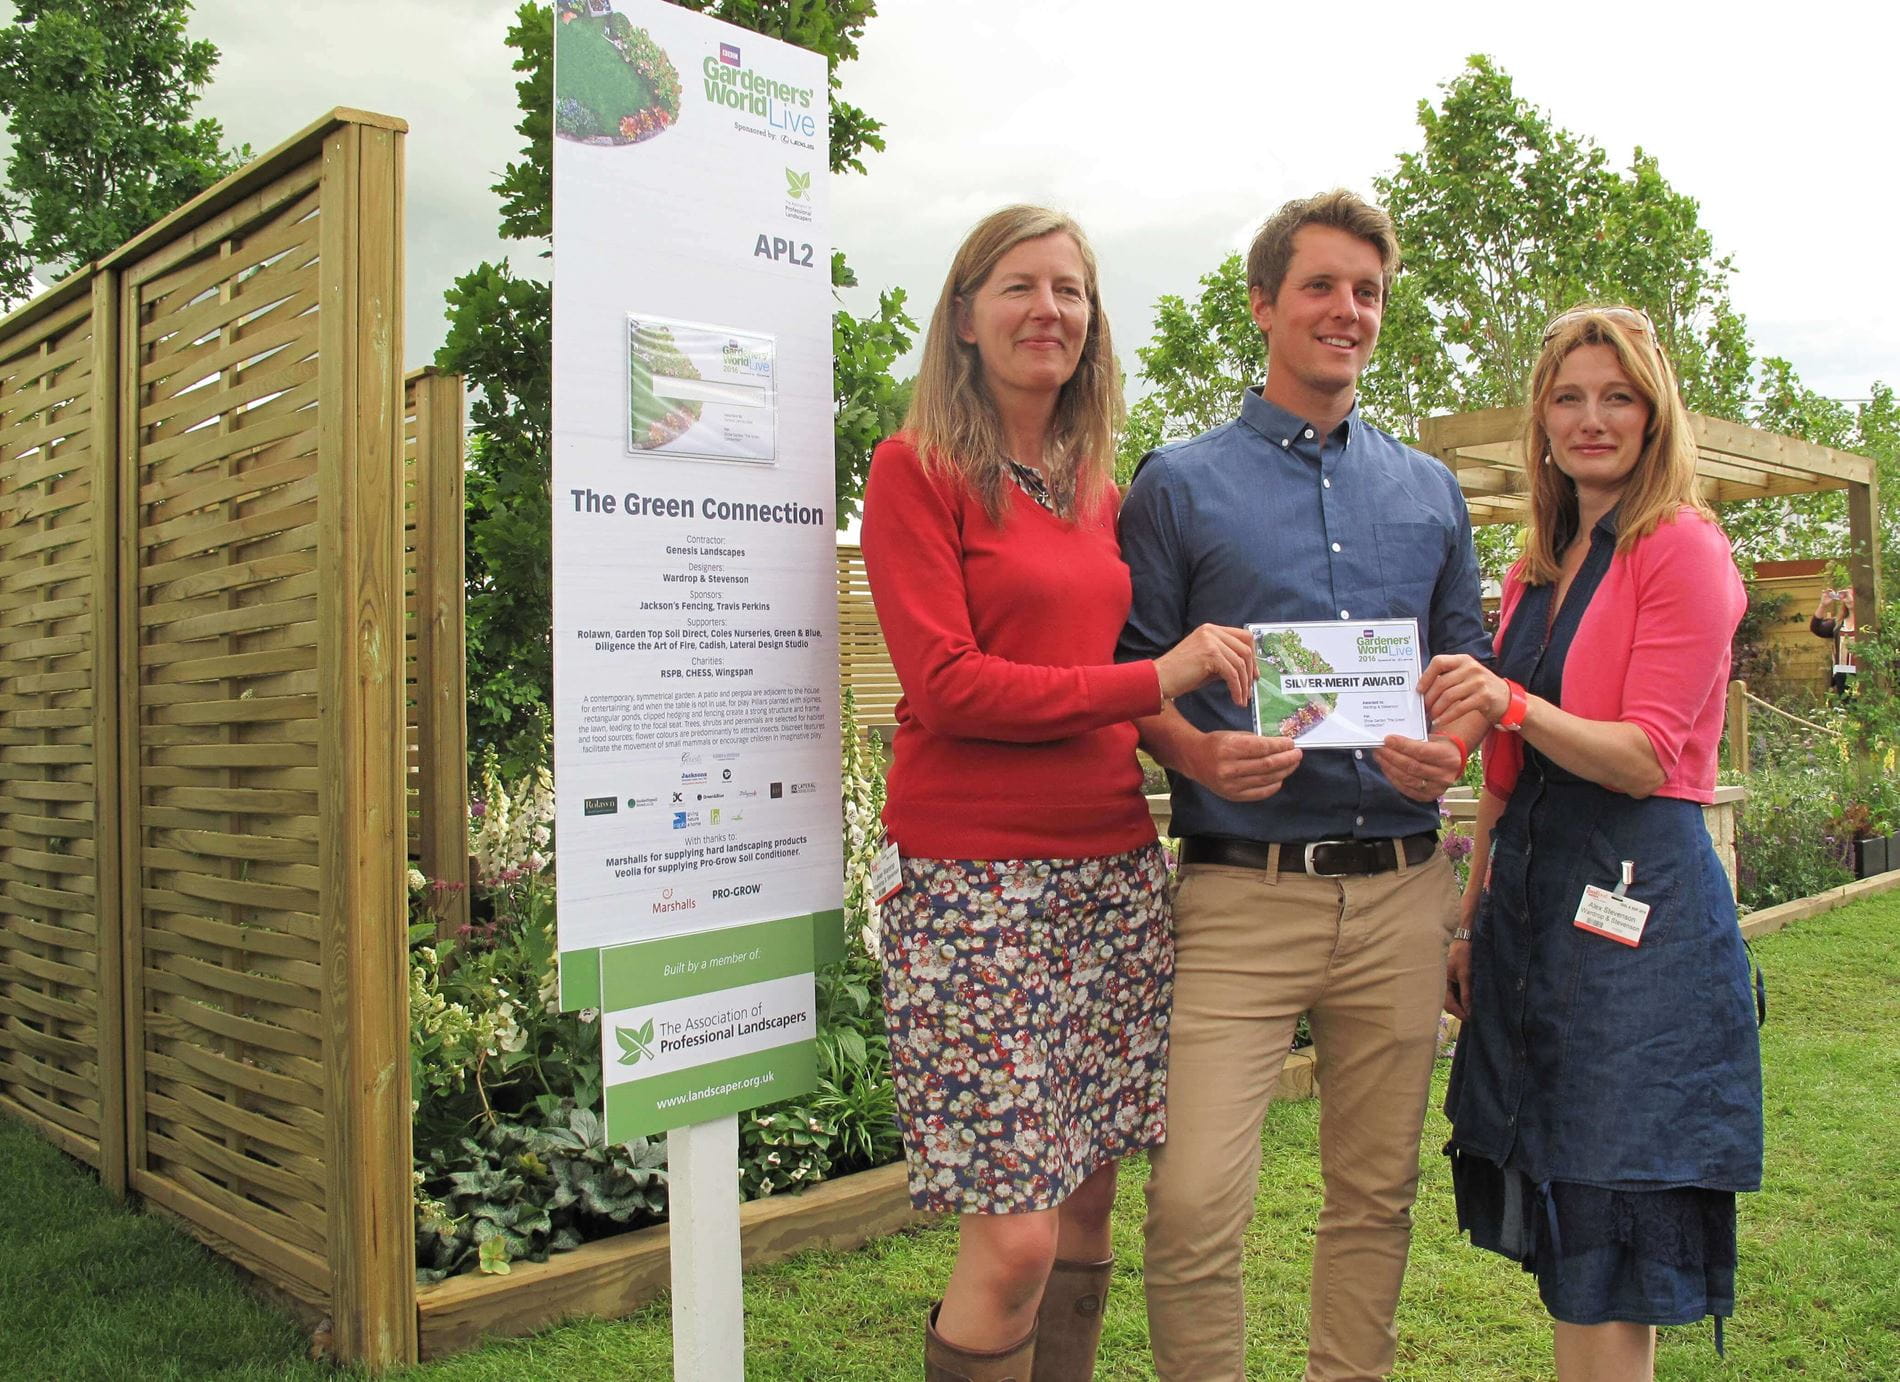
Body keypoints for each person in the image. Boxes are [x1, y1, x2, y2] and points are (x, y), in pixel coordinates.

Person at [859, 205, 1257, 1382]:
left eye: (1071, 291)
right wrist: (1164, 669)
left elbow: (1102, 689)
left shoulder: (1091, 485)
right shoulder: (913, 469)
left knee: (1086, 1201)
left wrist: (1192, 752)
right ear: (966, 317)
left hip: (1110, 869)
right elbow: (949, 683)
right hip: (975, 884)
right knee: (1018, 1234)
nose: (1050, 311)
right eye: (1021, 287)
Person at [1117, 189, 1495, 1381]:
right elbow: (1129, 677)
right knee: (1190, 1205)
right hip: (1239, 893)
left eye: (1367, 292)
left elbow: (1467, 667)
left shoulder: (1429, 492)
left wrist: (1454, 745)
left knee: (1374, 1196)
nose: (1347, 310)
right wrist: (1190, 750)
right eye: (1322, 286)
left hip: (1396, 891)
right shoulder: (1177, 484)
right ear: (1264, 303)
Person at [1425, 305, 1764, 1381]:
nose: (1591, 418)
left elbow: (1645, 755)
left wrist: (1509, 700)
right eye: (1568, 397)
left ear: (1653, 412)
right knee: (1568, 1195)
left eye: (1616, 395)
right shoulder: (1535, 566)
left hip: (1640, 913)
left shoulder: (1684, 549)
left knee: (1617, 1204)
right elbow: (1502, 776)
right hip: (1533, 904)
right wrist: (1470, 918)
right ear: (1541, 421)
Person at [1810, 585, 1857, 696]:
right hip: (1841, 677)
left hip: (1862, 676)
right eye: (1846, 595)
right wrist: (1823, 605)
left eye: (1852, 595)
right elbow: (1816, 628)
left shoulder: (1867, 625)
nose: (1848, 598)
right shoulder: (1839, 623)